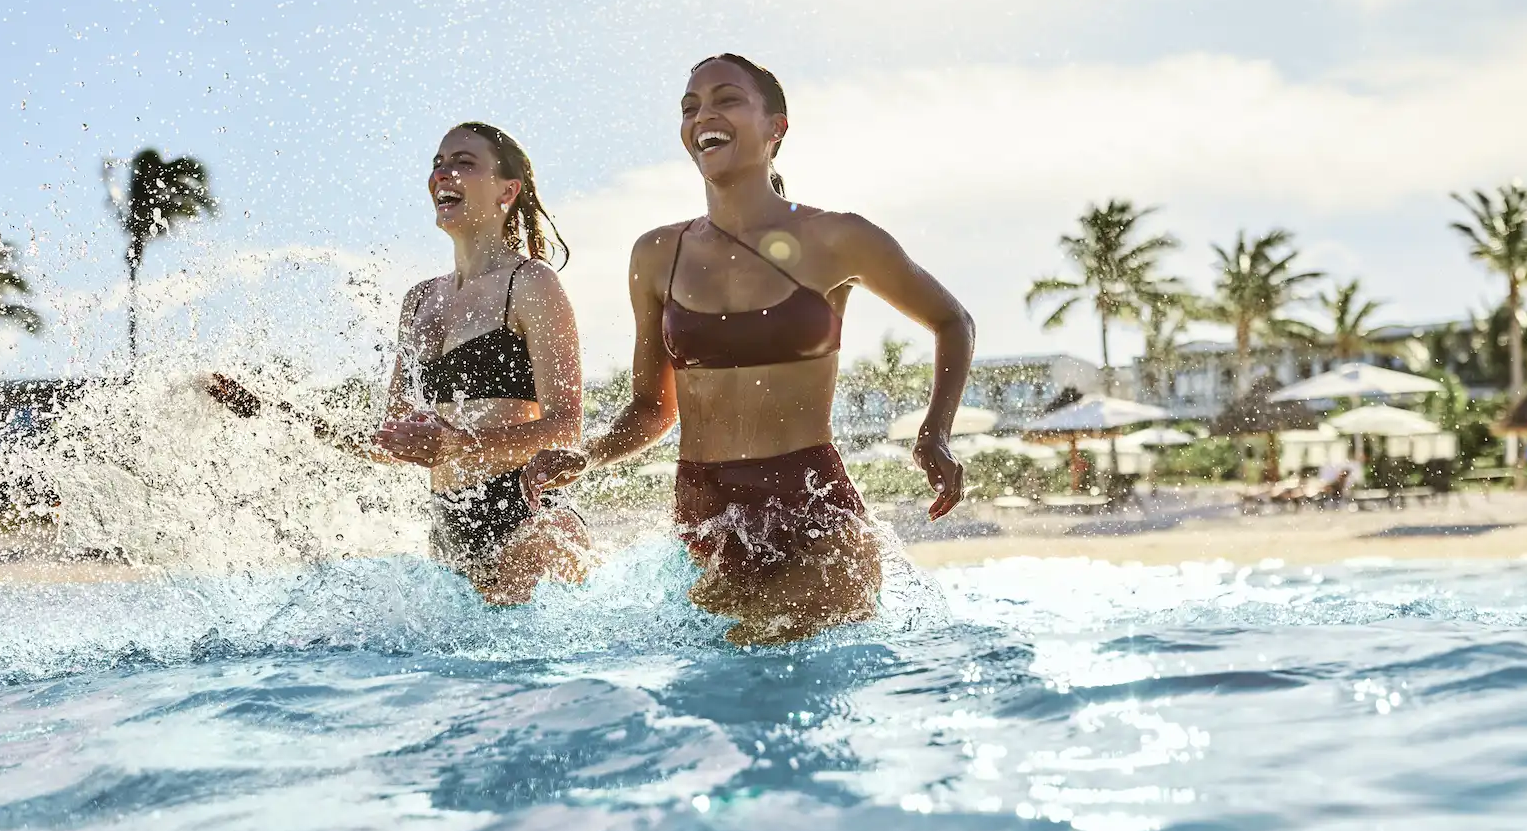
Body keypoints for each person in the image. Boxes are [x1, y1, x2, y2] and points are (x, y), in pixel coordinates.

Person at [525, 54, 974, 643]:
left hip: (812, 506)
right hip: (705, 512)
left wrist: (934, 433)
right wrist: (591, 456)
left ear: (776, 127)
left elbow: (952, 320)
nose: (703, 115)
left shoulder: (838, 237)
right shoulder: (656, 255)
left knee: (762, 671)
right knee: (719, 696)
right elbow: (653, 406)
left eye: (727, 99)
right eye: (690, 107)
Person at [208, 122, 590, 604]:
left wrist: (457, 443)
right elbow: (388, 442)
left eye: (463, 163)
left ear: (506, 190)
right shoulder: (418, 302)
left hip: (530, 520)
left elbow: (564, 429)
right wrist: (274, 411)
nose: (442, 174)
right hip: (451, 528)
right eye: (437, 164)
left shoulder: (532, 284)